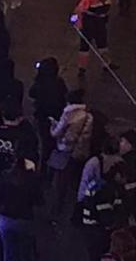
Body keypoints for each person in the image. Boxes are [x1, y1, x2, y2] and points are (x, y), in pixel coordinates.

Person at [48, 88, 94, 219]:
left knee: (59, 184)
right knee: (75, 181)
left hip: (65, 150)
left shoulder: (68, 115)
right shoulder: (88, 115)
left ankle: (56, 212)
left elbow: (57, 132)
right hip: (79, 152)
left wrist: (53, 126)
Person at [0, 153, 42, 261]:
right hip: (24, 220)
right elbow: (39, 201)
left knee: (9, 254)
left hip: (6, 219)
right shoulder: (31, 181)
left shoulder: (5, 178)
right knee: (25, 254)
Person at [81, 164, 129, 261]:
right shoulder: (106, 190)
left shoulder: (98, 183)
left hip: (89, 227)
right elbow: (106, 218)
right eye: (125, 178)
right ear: (118, 175)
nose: (125, 182)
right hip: (98, 231)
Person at [28, 57, 68, 166]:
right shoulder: (59, 82)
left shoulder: (39, 82)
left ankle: (44, 167)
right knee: (55, 143)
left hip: (42, 117)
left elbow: (31, 93)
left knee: (45, 143)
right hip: (56, 117)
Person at [74, 0, 116, 76]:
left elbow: (105, 9)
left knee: (103, 44)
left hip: (100, 24)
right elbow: (79, 10)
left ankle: (106, 64)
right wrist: (78, 23)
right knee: (84, 47)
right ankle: (82, 68)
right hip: (88, 24)